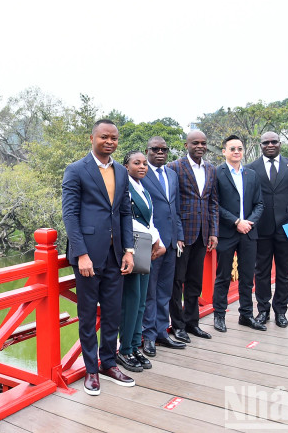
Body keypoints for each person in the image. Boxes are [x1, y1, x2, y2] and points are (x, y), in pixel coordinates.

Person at [62, 119, 136, 395]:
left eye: (114, 138)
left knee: (113, 313)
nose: (109, 141)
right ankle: (91, 370)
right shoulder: (76, 170)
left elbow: (125, 213)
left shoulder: (121, 171)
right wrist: (81, 253)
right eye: (104, 137)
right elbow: (70, 215)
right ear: (91, 138)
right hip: (88, 257)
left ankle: (108, 363)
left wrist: (128, 249)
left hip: (116, 254)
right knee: (86, 315)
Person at [246, 132, 288, 328]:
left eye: (274, 142)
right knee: (261, 271)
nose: (270, 145)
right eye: (266, 142)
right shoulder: (251, 168)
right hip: (261, 227)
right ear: (261, 145)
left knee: (284, 272)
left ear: (280, 144)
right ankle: (263, 310)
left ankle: (281, 311)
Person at [166, 130, 219, 343]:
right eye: (195, 142)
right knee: (177, 281)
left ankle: (192, 323)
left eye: (203, 143)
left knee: (195, 281)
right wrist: (176, 233)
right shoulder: (174, 167)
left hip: (202, 233)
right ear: (186, 145)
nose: (200, 146)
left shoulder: (211, 169)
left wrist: (214, 231)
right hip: (182, 234)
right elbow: (172, 203)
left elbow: (213, 202)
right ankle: (177, 325)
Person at [116, 150, 166, 372]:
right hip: (132, 247)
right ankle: (124, 349)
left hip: (145, 245)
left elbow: (149, 221)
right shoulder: (123, 187)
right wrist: (152, 238)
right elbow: (126, 220)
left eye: (144, 163)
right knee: (131, 300)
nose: (143, 167)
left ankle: (136, 345)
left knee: (142, 301)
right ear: (126, 166)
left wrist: (159, 241)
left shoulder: (143, 189)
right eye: (137, 163)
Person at [212, 135, 265, 333]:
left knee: (247, 275)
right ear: (224, 151)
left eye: (240, 148)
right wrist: (236, 222)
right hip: (227, 232)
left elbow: (260, 203)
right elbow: (214, 204)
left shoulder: (251, 174)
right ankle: (219, 314)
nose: (236, 152)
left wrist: (249, 222)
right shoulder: (216, 173)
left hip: (249, 232)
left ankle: (246, 315)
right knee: (223, 275)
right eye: (232, 148)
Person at [141, 136, 187, 355]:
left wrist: (179, 236)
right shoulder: (140, 172)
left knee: (165, 291)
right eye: (155, 149)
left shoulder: (171, 174)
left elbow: (175, 209)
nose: (160, 152)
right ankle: (147, 336)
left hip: (170, 242)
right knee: (149, 291)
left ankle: (161, 332)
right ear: (148, 150)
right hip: (150, 243)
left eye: (164, 149)